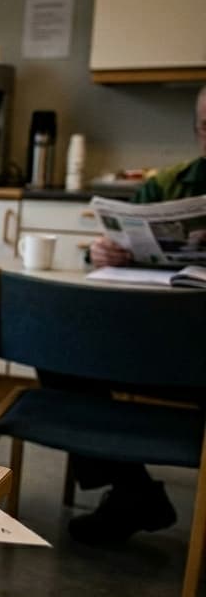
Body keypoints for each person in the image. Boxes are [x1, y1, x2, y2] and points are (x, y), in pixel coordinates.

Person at [63, 84, 206, 546]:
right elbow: (119, 240)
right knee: (66, 344)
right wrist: (102, 253)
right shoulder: (167, 185)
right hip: (156, 342)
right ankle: (131, 488)